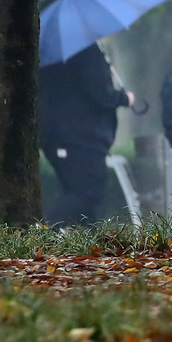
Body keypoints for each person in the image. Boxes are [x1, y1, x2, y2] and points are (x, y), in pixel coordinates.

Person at [38, 44, 135, 227]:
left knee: (83, 197)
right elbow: (100, 92)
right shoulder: (84, 50)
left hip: (62, 135)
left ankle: (92, 245)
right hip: (78, 137)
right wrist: (124, 97)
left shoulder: (56, 51)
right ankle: (43, 231)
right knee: (88, 192)